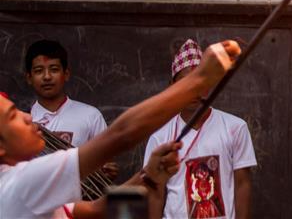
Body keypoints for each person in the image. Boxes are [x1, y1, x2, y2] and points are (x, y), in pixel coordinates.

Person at [0, 39, 241, 219]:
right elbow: (122, 134)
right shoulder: (19, 185)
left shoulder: (27, 190)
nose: (27, 116)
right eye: (13, 116)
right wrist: (199, 80)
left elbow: (98, 210)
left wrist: (147, 178)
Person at [144, 39, 256, 219]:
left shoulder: (235, 128)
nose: (193, 91)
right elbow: (155, 194)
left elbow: (242, 184)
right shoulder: (160, 137)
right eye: (185, 83)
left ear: (210, 84)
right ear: (173, 86)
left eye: (199, 83)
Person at [25, 40, 118, 182]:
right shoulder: (22, 121)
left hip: (81, 202)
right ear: (29, 78)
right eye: (39, 71)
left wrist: (107, 171)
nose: (47, 77)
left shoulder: (90, 116)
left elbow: (107, 165)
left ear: (66, 74)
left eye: (54, 69)